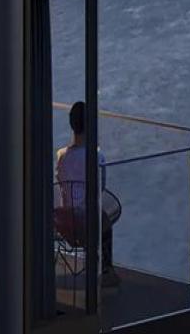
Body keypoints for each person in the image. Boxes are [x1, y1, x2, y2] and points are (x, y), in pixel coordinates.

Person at [55, 100, 122, 287]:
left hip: (64, 221)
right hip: (85, 223)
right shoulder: (96, 156)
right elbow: (100, 187)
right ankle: (106, 269)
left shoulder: (61, 156)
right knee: (103, 218)